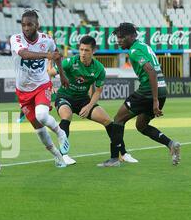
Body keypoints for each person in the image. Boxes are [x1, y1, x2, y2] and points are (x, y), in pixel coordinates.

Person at [99, 22, 181, 167]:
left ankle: (114, 159)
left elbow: (150, 71)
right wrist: (157, 98)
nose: (119, 40)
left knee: (118, 119)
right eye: (118, 37)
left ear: (132, 36)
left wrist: (154, 100)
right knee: (141, 125)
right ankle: (170, 144)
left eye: (122, 37)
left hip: (149, 91)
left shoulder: (135, 50)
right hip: (161, 90)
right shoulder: (144, 46)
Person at [48, 36, 138, 166]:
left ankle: (123, 153)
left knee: (108, 121)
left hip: (83, 100)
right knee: (66, 116)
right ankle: (63, 155)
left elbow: (98, 91)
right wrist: (50, 87)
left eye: (87, 50)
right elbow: (50, 73)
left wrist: (89, 106)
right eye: (81, 49)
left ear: (93, 51)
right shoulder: (70, 62)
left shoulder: (99, 68)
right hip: (64, 97)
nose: (83, 53)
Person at [10, 10, 70, 168]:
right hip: (22, 91)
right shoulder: (16, 39)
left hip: (41, 84)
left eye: (30, 24)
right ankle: (57, 155)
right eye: (23, 24)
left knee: (42, 116)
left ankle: (60, 133)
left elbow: (57, 55)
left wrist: (62, 76)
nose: (26, 28)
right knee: (38, 127)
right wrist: (46, 55)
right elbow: (24, 54)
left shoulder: (47, 40)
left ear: (37, 25)